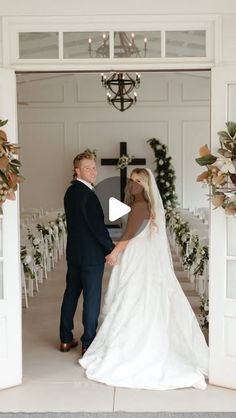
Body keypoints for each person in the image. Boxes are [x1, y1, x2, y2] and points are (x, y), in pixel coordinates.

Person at [79, 168, 209, 390]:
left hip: (137, 258)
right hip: (142, 256)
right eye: (131, 180)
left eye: (138, 181)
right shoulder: (143, 205)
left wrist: (113, 253)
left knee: (134, 297)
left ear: (146, 184)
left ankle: (135, 347)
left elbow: (129, 235)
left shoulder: (140, 206)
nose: (133, 184)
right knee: (139, 298)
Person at [59, 150, 114, 356]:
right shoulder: (88, 194)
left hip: (74, 253)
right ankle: (88, 342)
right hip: (91, 256)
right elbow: (96, 227)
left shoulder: (70, 192)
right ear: (77, 171)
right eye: (88, 168)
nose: (93, 171)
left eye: (94, 167)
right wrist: (111, 249)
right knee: (91, 298)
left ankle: (65, 338)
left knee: (71, 294)